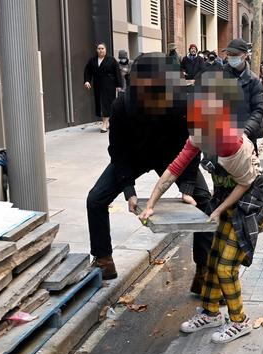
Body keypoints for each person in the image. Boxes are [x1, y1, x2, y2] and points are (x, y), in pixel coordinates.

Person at [139, 71, 263, 344]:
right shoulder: (200, 134)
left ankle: (239, 321)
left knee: (226, 267)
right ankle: (211, 313)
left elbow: (245, 184)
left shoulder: (231, 143)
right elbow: (175, 169)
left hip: (250, 204)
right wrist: (150, 204)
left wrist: (216, 209)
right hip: (226, 197)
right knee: (212, 260)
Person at [87, 53, 213, 287]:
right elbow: (118, 150)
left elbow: (194, 145)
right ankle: (104, 260)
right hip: (135, 156)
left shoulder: (184, 103)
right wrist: (128, 189)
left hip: (175, 156)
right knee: (95, 199)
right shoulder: (122, 105)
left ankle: (204, 270)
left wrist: (186, 188)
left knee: (204, 201)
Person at [222, 39, 263, 151]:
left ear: (245, 55)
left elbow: (258, 110)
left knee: (248, 166)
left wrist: (245, 132)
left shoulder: (253, 81)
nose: (231, 57)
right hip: (222, 137)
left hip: (246, 138)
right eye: (229, 54)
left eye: (235, 54)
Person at [84, 42, 123, 133]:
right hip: (97, 84)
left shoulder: (111, 60)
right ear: (96, 50)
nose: (100, 50)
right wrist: (87, 81)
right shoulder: (92, 60)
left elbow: (117, 72)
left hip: (109, 85)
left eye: (102, 48)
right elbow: (87, 71)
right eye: (99, 48)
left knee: (106, 103)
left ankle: (104, 124)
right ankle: (107, 122)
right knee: (100, 103)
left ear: (105, 50)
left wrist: (118, 85)